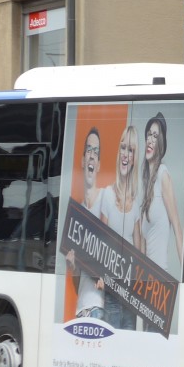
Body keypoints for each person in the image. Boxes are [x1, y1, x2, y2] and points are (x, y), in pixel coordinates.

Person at [99, 124, 140, 329]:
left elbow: (139, 247)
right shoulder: (107, 194)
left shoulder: (137, 198)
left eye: (130, 150)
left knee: (129, 343)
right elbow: (101, 241)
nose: (126, 154)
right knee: (111, 340)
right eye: (123, 148)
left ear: (134, 157)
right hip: (113, 284)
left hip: (131, 288)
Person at [136, 112, 183, 277]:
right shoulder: (146, 186)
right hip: (146, 282)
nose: (150, 139)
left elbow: (177, 226)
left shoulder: (163, 174)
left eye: (155, 136)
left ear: (160, 143)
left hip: (159, 281)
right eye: (149, 134)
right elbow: (142, 247)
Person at [66, 127, 106, 321]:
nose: (92, 156)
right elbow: (77, 284)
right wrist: (73, 266)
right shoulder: (77, 216)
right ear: (82, 161)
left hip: (100, 309)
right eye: (89, 150)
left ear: (98, 165)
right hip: (81, 309)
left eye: (96, 152)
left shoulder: (107, 202)